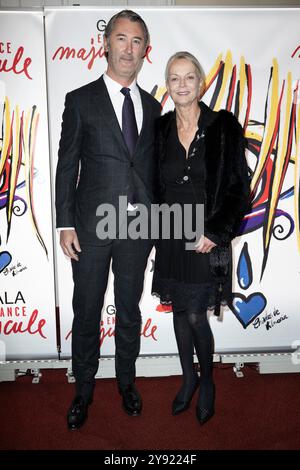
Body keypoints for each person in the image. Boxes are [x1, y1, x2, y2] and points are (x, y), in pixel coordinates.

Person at [56, 10, 161, 430]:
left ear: (144, 51)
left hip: (138, 231)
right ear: (106, 44)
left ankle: (126, 382)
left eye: (136, 41)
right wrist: (65, 223)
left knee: (130, 311)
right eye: (121, 38)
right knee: (86, 310)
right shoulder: (80, 100)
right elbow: (67, 166)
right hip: (91, 229)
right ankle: (83, 390)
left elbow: (152, 168)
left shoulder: (153, 106)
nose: (128, 49)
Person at [152, 51, 250, 425]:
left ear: (201, 82)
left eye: (189, 77)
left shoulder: (223, 126)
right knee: (179, 309)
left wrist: (216, 231)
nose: (181, 85)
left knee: (195, 313)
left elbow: (240, 188)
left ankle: (206, 381)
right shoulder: (160, 129)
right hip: (170, 232)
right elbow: (151, 184)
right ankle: (188, 376)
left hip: (204, 234)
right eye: (174, 78)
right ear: (167, 85)